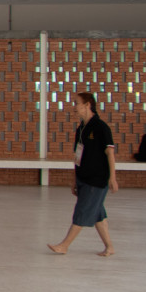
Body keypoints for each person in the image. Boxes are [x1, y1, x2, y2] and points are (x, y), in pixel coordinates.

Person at [49, 92, 119, 256]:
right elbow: (78, 156)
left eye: (77, 103)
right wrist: (75, 179)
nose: (74, 107)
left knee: (82, 210)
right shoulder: (81, 129)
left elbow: (110, 153)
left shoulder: (101, 127)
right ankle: (109, 247)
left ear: (87, 105)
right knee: (98, 214)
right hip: (83, 177)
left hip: (96, 179)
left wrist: (112, 178)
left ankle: (64, 245)